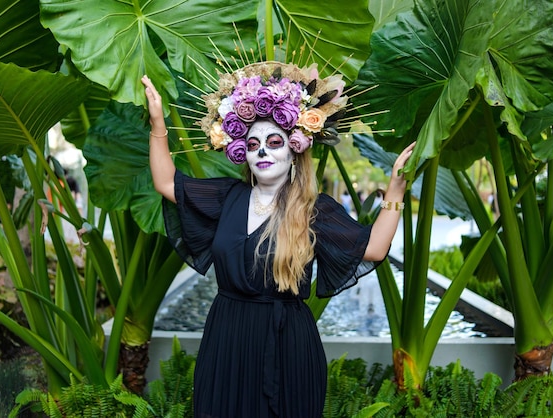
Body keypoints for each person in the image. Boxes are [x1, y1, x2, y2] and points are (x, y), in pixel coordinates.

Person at [142, 61, 414, 418]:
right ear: (243, 152)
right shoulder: (228, 197)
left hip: (288, 344)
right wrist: (158, 123)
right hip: (227, 338)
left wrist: (395, 190)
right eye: (253, 144)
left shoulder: (315, 211)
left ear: (293, 150)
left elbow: (375, 248)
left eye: (274, 142)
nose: (263, 152)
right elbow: (167, 183)